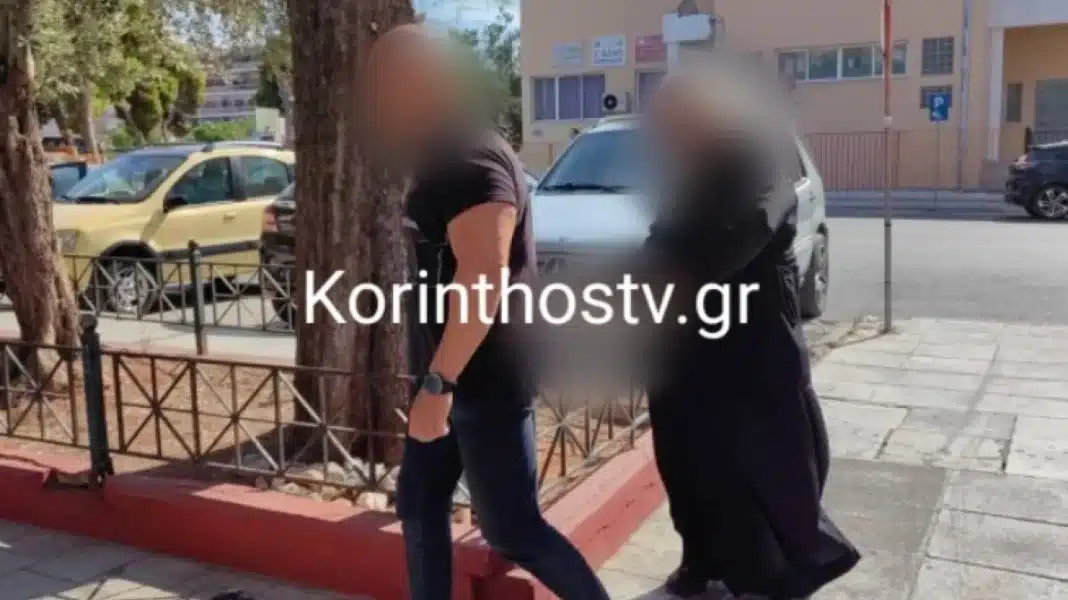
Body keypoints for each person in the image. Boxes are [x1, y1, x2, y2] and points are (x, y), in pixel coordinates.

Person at [366, 25, 610, 600]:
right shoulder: (440, 153)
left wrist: (438, 384)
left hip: (480, 379)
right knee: (419, 504)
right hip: (448, 374)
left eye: (391, 78)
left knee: (513, 531)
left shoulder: (468, 157)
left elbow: (482, 276)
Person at [640, 64, 861, 599]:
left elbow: (734, 239)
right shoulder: (687, 170)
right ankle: (701, 562)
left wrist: (661, 278)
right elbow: (659, 242)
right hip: (683, 349)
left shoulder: (758, 157)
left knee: (766, 471)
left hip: (751, 349)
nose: (666, 131)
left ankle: (774, 575)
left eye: (676, 118)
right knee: (687, 465)